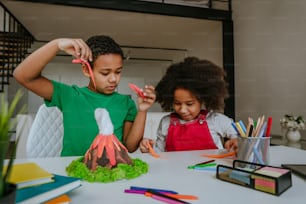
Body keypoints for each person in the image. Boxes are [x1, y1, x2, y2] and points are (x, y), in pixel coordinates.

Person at [13, 35, 156, 156]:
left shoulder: (126, 103)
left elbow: (130, 147)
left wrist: (143, 110)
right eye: (105, 73)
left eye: (118, 72)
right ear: (87, 70)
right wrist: (56, 44)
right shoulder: (70, 95)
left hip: (110, 172)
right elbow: (23, 76)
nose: (113, 79)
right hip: (72, 171)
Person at [139, 57, 237, 153]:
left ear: (202, 100)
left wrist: (236, 141)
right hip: (175, 169)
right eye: (177, 103)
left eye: (189, 104)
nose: (183, 110)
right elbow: (159, 152)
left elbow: (241, 136)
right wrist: (149, 148)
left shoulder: (216, 120)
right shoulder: (166, 122)